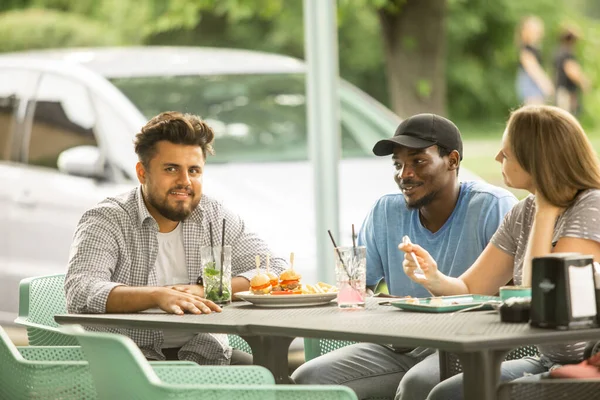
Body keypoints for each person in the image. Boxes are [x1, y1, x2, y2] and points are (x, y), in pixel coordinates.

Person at [291, 113, 517, 399]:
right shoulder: (385, 211)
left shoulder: (492, 207)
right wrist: (363, 299)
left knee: (419, 384)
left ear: (453, 160)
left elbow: (515, 293)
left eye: (418, 161)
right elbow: (361, 288)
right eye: (398, 164)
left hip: (467, 344)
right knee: (307, 378)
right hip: (398, 345)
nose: (404, 174)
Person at [398, 105, 600, 400]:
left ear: (537, 158)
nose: (497, 158)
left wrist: (546, 208)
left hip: (586, 368)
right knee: (444, 392)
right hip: (546, 361)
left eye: (506, 153)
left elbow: (541, 296)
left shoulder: (591, 205)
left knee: (449, 396)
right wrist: (433, 277)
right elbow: (470, 288)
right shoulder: (523, 211)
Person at [65, 111, 287, 365]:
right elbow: (80, 289)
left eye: (194, 170)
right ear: (142, 173)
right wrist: (157, 296)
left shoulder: (213, 215)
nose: (185, 181)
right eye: (171, 169)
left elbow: (276, 270)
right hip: (130, 362)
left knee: (276, 382)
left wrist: (205, 292)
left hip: (206, 355)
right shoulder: (107, 219)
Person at [516, 16, 554, 105]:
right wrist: (546, 85)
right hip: (531, 85)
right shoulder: (526, 50)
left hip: (534, 86)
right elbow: (533, 69)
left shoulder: (534, 48)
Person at [554, 25, 591, 115]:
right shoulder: (566, 53)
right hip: (566, 91)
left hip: (562, 89)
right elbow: (571, 70)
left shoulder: (558, 52)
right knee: (566, 118)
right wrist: (583, 82)